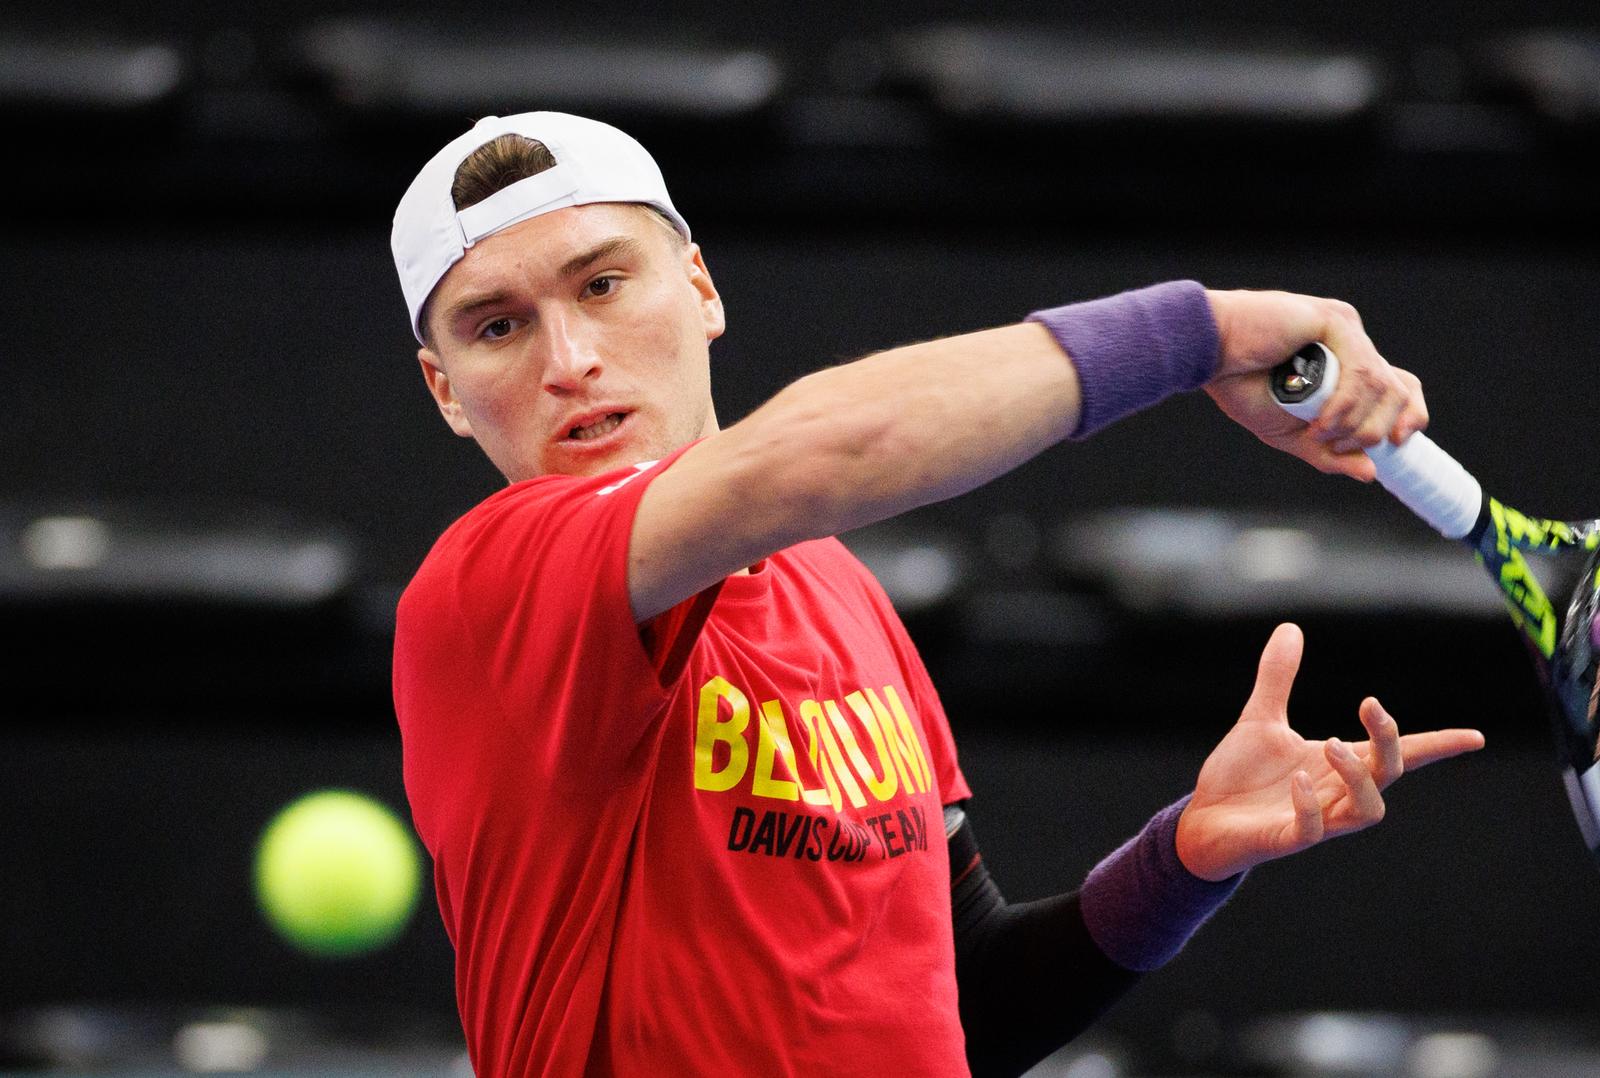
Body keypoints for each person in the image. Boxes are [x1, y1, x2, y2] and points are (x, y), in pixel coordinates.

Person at [388, 112, 1484, 1078]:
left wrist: (1181, 861)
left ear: (701, 289)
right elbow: (808, 458)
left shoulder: (836, 588)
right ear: (445, 392)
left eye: (602, 284)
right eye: (498, 326)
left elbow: (971, 1006)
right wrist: (1202, 333)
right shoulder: (490, 588)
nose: (569, 358)